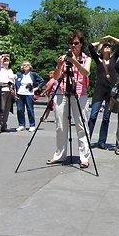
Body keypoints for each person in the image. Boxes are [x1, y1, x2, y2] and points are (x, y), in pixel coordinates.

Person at [46, 32, 92, 168]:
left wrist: (73, 61)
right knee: (60, 125)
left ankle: (84, 157)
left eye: (76, 43)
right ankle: (59, 155)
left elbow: (86, 73)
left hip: (79, 94)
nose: (73, 46)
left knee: (82, 126)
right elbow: (55, 76)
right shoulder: (64, 57)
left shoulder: (86, 58)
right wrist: (58, 65)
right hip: (62, 92)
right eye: (71, 43)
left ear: (81, 44)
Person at [88, 35, 119, 149]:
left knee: (106, 118)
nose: (107, 47)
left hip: (110, 93)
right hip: (99, 91)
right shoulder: (98, 59)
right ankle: (86, 139)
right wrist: (101, 41)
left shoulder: (114, 58)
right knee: (93, 115)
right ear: (101, 49)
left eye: (109, 46)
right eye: (105, 46)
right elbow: (89, 47)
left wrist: (111, 38)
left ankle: (102, 141)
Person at [15, 62, 44, 132]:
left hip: (29, 94)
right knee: (19, 110)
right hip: (20, 94)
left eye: (27, 65)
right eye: (24, 65)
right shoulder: (19, 74)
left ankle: (32, 125)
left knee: (30, 110)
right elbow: (14, 81)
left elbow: (42, 81)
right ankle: (21, 125)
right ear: (22, 67)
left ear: (30, 67)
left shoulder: (33, 74)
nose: (26, 66)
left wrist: (37, 88)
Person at [0, 54, 16, 133]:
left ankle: (4, 125)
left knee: (7, 109)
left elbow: (12, 80)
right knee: (0, 108)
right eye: (4, 60)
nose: (6, 62)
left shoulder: (9, 70)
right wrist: (2, 56)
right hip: (1, 89)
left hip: (9, 90)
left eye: (7, 60)